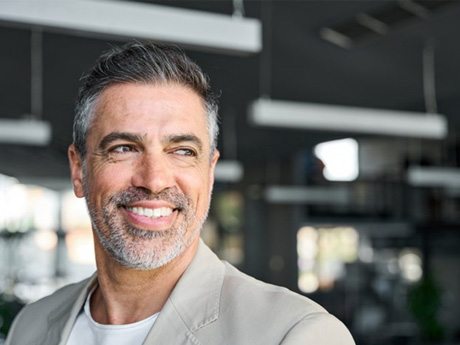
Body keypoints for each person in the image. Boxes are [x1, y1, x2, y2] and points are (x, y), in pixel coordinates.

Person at [5, 42, 355, 345]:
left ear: (210, 172)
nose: (154, 180)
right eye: (124, 148)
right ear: (78, 170)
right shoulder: (32, 325)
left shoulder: (296, 334)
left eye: (183, 151)